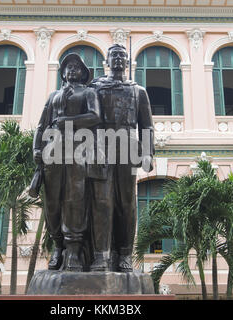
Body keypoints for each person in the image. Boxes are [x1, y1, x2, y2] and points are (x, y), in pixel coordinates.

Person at [89, 44, 155, 272]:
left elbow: (146, 126)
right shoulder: (95, 88)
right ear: (106, 61)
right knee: (102, 202)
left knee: (126, 203)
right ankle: (102, 255)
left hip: (127, 144)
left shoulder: (138, 91)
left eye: (122, 56)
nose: (118, 58)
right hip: (100, 145)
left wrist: (147, 153)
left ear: (127, 62)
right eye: (113, 55)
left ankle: (125, 253)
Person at [32, 53, 101, 271]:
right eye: (68, 67)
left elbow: (95, 116)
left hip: (77, 152)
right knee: (52, 203)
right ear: (63, 72)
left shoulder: (88, 92)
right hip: (52, 154)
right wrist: (36, 148)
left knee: (75, 200)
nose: (72, 70)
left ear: (83, 73)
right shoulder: (54, 95)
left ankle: (73, 251)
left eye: (77, 67)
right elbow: (41, 125)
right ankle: (58, 246)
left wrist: (68, 122)